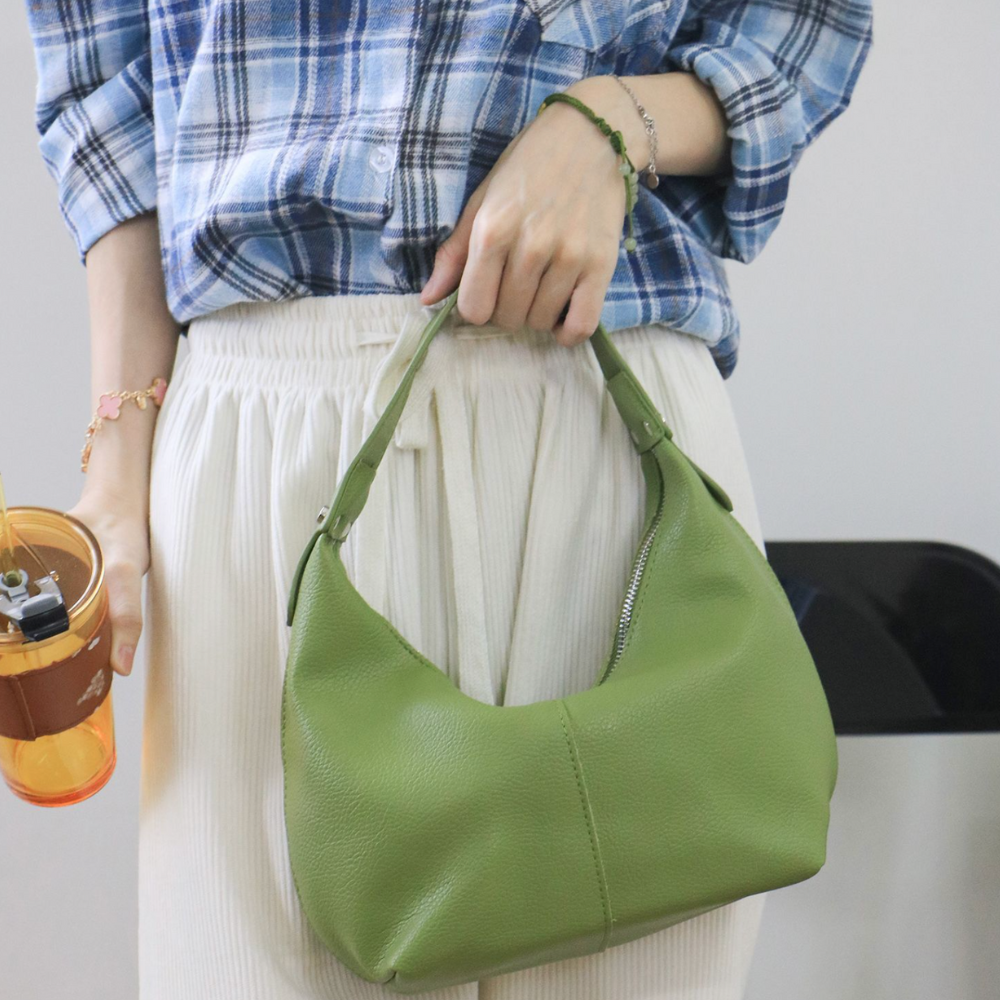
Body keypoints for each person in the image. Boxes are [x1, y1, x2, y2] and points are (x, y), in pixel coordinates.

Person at [23, 2, 872, 998]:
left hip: (604, 434)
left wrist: (617, 119)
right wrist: (117, 468)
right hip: (263, 456)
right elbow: (107, 89)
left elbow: (803, 24)